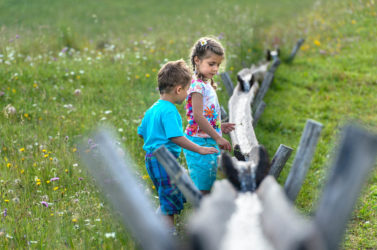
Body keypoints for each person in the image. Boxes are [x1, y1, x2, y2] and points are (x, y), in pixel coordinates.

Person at [137, 59, 218, 231]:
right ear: (178, 89)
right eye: (187, 89)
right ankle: (166, 238)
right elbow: (176, 137)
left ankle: (156, 227)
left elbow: (141, 132)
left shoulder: (152, 109)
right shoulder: (169, 110)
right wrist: (199, 148)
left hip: (151, 159)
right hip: (164, 160)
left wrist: (154, 139)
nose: (188, 93)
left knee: (169, 195)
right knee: (169, 204)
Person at [184, 37, 235, 195]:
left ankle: (207, 211)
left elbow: (207, 115)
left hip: (208, 138)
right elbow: (198, 117)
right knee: (203, 186)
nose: (215, 69)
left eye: (218, 65)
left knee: (209, 180)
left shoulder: (206, 83)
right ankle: (203, 215)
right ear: (197, 60)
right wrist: (218, 137)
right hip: (199, 141)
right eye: (211, 64)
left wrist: (219, 125)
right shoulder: (197, 86)